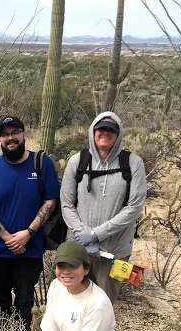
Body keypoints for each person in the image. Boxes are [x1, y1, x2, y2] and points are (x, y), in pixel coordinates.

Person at [0, 116, 59, 331]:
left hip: (29, 250)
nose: (10, 138)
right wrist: (8, 238)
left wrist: (28, 233)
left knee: (25, 299)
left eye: (15, 133)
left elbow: (50, 202)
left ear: (24, 134)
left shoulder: (42, 164)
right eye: (4, 134)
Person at [60, 112, 147, 304]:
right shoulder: (78, 161)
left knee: (104, 304)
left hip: (114, 251)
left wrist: (96, 234)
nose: (105, 133)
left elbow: (134, 207)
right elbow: (66, 204)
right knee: (71, 303)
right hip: (77, 247)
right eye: (101, 129)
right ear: (93, 132)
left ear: (118, 134)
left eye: (111, 130)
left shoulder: (133, 164)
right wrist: (82, 233)